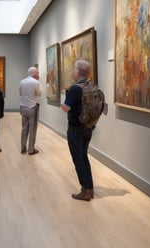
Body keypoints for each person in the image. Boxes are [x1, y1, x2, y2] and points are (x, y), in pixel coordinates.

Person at [61, 59, 94, 201]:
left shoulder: (75, 88)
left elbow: (66, 108)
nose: (72, 71)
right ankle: (90, 188)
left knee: (78, 159)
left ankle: (85, 190)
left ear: (78, 71)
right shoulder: (90, 86)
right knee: (84, 156)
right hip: (88, 127)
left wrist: (64, 103)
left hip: (76, 129)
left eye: (74, 68)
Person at [19, 66, 42, 155]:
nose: (38, 74)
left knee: (24, 128)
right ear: (35, 74)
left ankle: (23, 148)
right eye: (38, 73)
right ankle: (31, 149)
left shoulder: (22, 81)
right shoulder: (36, 82)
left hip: (23, 107)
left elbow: (20, 93)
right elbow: (39, 94)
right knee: (32, 129)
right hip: (32, 108)